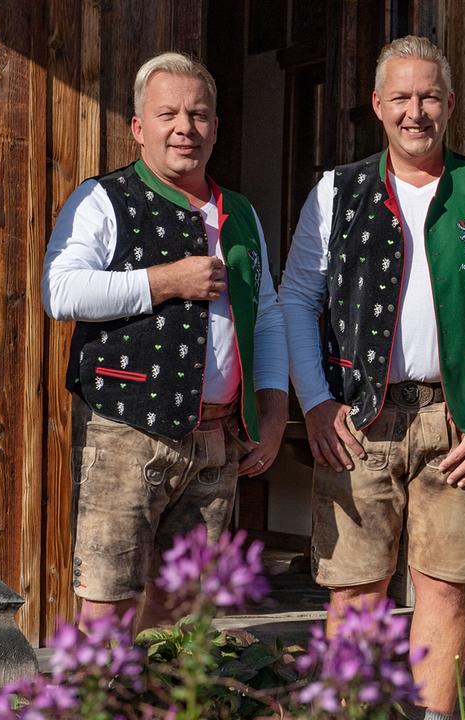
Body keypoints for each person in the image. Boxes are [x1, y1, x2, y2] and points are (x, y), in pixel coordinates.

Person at [279, 35, 465, 720]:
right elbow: (295, 297)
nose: (416, 111)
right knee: (355, 592)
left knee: (446, 588)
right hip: (356, 421)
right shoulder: (336, 191)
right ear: (377, 105)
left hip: (457, 420)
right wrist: (314, 402)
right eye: (401, 97)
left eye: (429, 96)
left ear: (451, 103)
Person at [42, 51, 288, 631]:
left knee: (183, 610)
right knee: (108, 603)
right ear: (138, 127)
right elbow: (60, 291)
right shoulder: (103, 198)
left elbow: (268, 317)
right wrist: (165, 281)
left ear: (216, 126)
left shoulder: (242, 213)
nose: (186, 128)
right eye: (168, 114)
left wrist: (273, 411)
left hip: (216, 439)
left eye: (199, 115)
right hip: (126, 432)